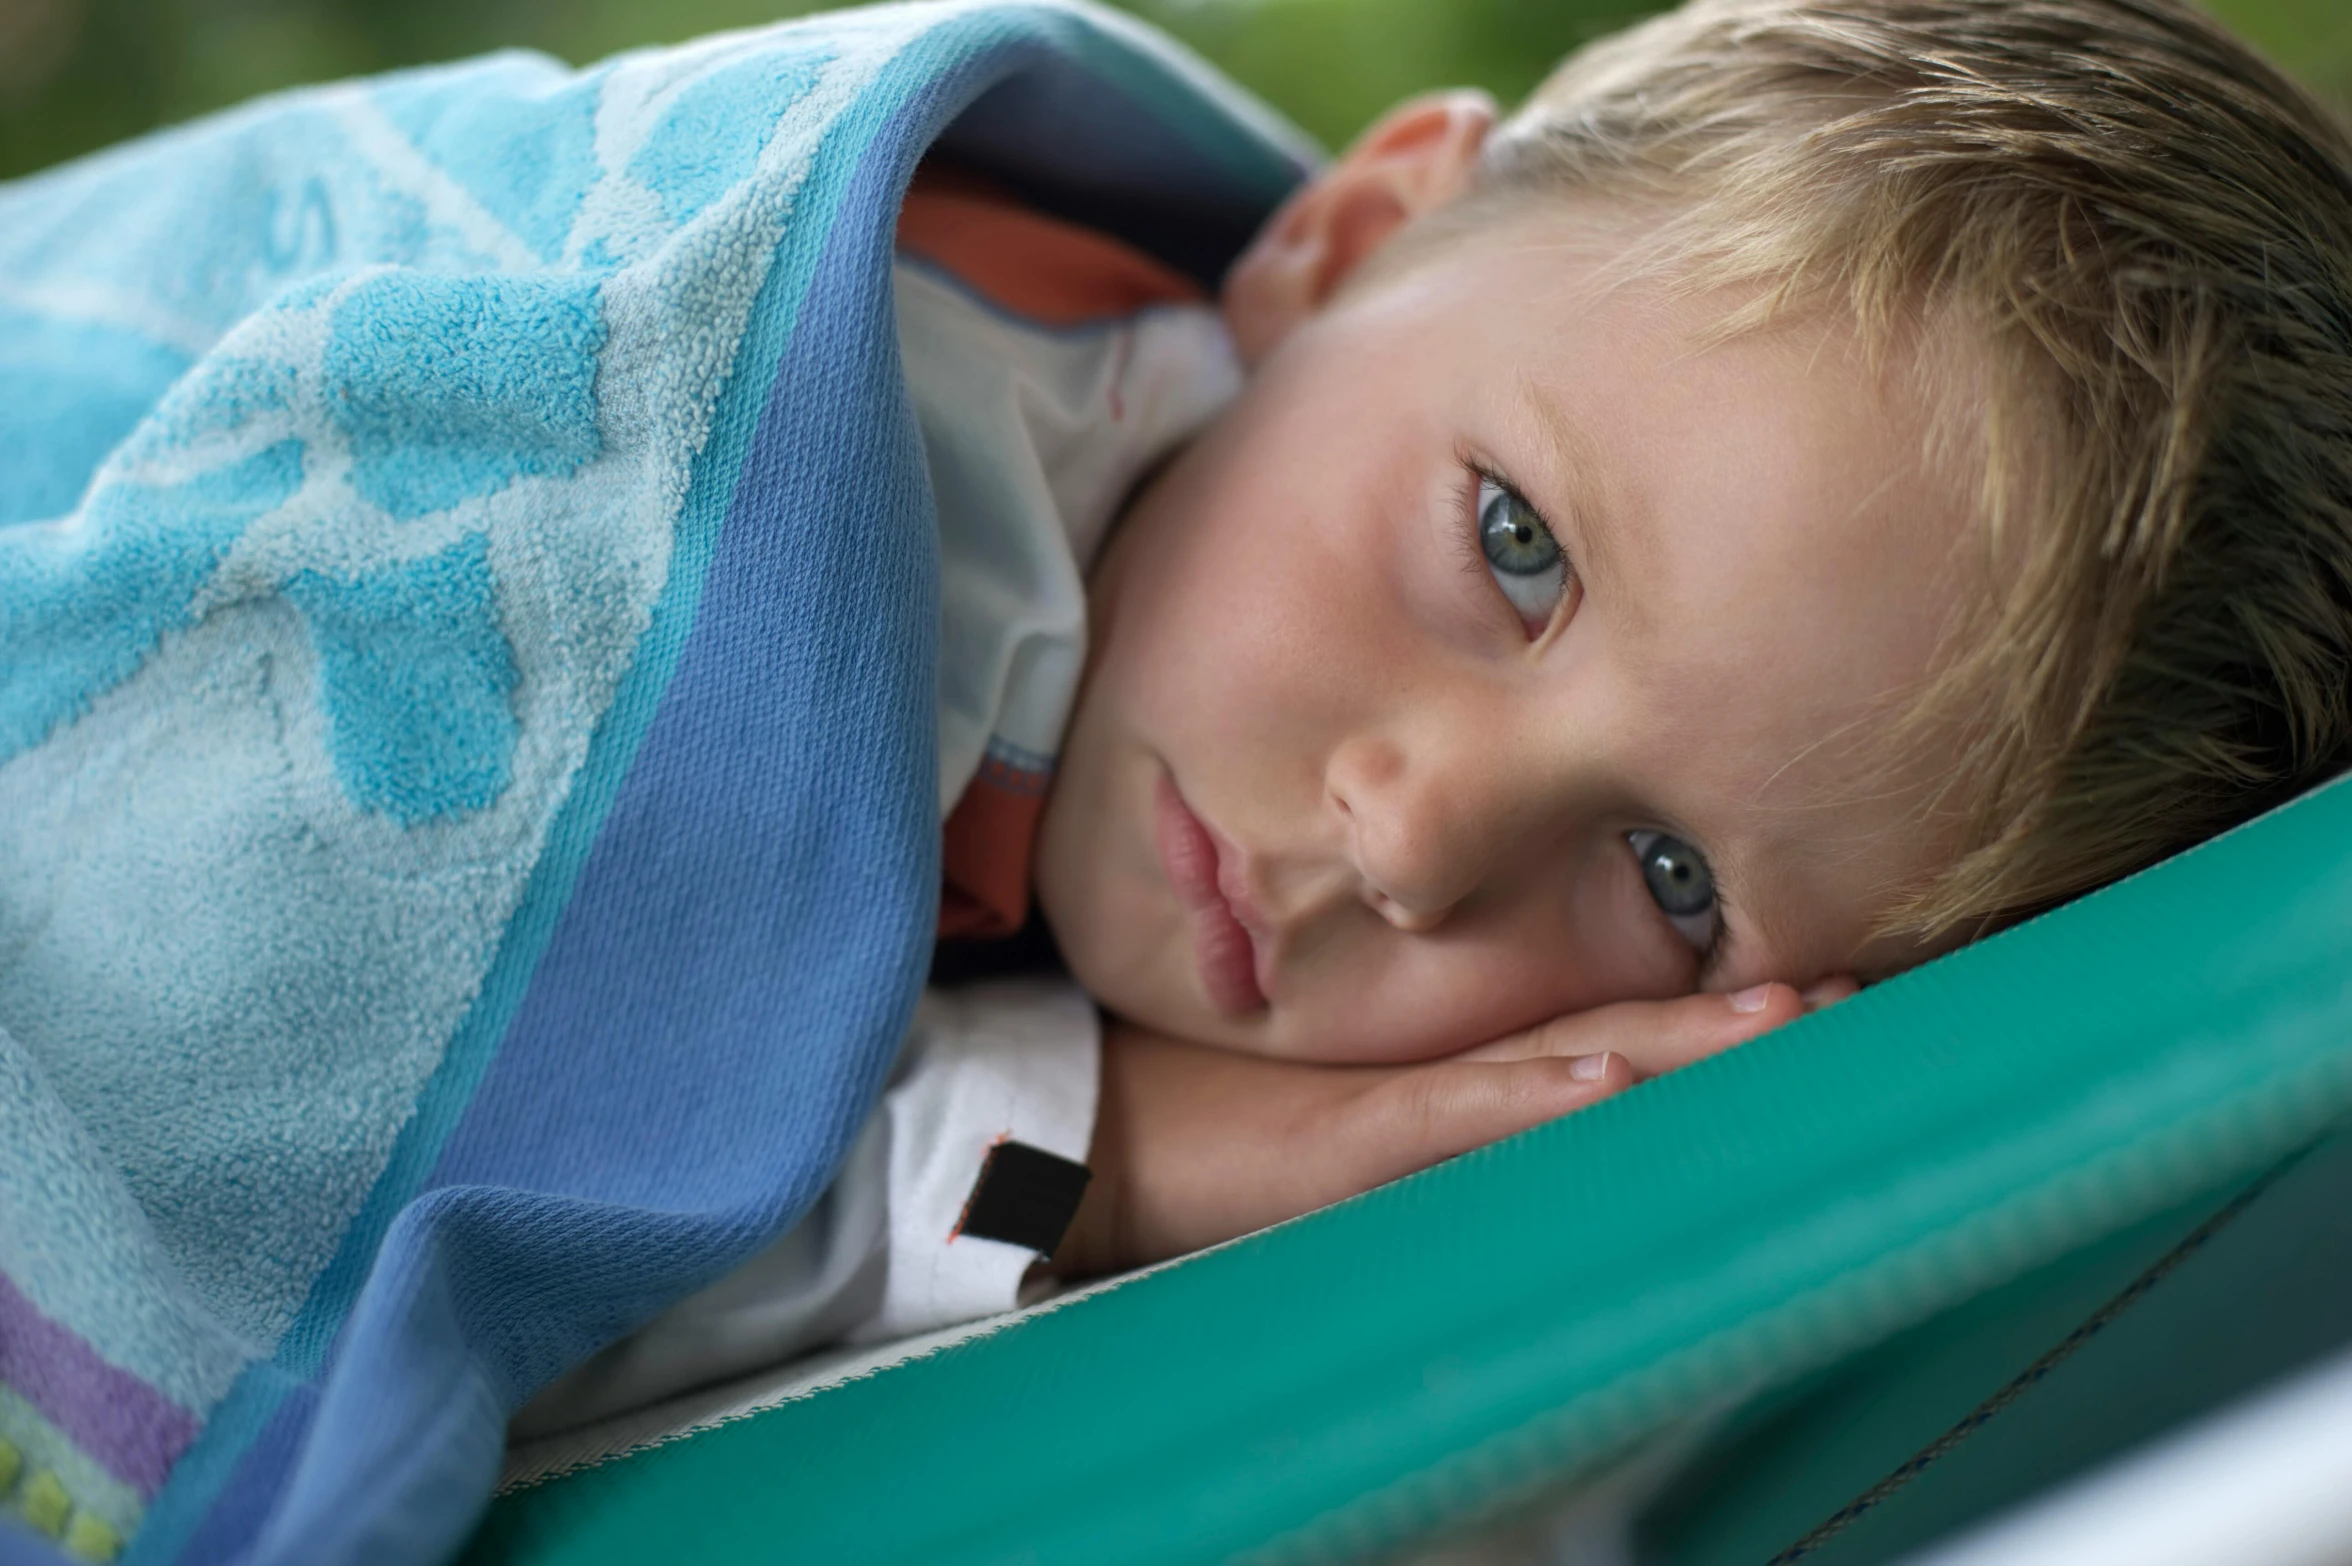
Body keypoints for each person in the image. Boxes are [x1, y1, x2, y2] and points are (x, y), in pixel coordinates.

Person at [515, 0, 2352, 1436]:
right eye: (1513, 541)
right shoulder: (822, 449)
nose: (1411, 837)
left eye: (1669, 877)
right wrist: (1119, 1158)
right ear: (1351, 239)